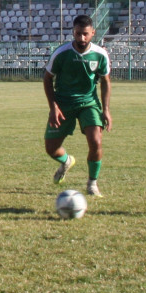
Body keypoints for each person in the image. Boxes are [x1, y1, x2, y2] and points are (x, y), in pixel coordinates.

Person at [42, 15, 112, 198]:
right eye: (78, 33)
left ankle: (92, 184)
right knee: (51, 149)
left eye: (85, 34)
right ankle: (66, 161)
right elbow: (47, 79)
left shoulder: (100, 54)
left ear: (93, 33)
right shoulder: (61, 53)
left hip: (89, 103)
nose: (82, 38)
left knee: (96, 141)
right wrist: (53, 107)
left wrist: (106, 110)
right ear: (73, 32)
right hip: (63, 104)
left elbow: (105, 81)